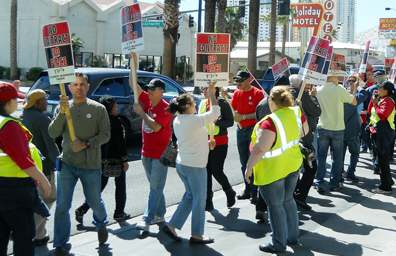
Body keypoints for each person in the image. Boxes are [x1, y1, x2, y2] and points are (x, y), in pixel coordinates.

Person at [49, 72, 110, 256]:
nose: (78, 87)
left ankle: (101, 224)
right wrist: (61, 112)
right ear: (69, 87)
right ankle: (60, 245)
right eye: (75, 84)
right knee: (62, 206)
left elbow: (106, 135)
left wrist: (86, 143)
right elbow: (53, 133)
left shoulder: (98, 108)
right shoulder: (63, 107)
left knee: (94, 202)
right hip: (67, 163)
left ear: (88, 87)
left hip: (90, 165)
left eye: (82, 84)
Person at [245, 86, 309, 253]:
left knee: (275, 206)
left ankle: (278, 243)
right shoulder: (295, 113)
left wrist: (249, 167)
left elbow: (260, 148)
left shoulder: (270, 121)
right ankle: (293, 237)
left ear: (271, 101)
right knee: (288, 200)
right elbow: (305, 132)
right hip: (292, 165)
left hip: (272, 170)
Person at [162, 81, 220, 244]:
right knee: (199, 200)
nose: (196, 105)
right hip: (195, 166)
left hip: (184, 163)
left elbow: (192, 137)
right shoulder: (192, 120)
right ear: (187, 106)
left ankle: (172, 226)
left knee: (190, 196)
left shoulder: (179, 119)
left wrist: (206, 142)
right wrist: (212, 94)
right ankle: (197, 234)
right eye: (194, 103)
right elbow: (215, 112)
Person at [0, 82, 51, 256]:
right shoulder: (9, 126)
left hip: (4, 190)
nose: (18, 104)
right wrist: (44, 180)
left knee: (1, 237)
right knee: (24, 238)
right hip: (16, 191)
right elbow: (24, 161)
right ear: (10, 103)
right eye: (15, 100)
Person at [129, 53, 173, 232]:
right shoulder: (147, 100)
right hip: (146, 152)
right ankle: (160, 213)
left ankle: (146, 219)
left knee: (155, 187)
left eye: (154, 89)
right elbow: (134, 85)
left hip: (161, 154)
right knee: (155, 187)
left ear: (162, 91)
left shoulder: (166, 107)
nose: (150, 91)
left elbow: (155, 127)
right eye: (149, 88)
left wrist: (141, 113)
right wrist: (134, 63)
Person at [75, 95, 130, 222]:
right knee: (120, 185)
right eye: (115, 105)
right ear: (111, 108)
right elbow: (119, 142)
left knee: (99, 187)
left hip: (100, 159)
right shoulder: (115, 121)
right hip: (115, 159)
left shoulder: (97, 120)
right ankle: (119, 212)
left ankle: (83, 209)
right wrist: (124, 159)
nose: (117, 107)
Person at [21, 89, 60, 247]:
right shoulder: (42, 119)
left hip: (27, 166)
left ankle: (40, 236)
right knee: (49, 198)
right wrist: (59, 163)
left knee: (38, 199)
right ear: (37, 103)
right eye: (45, 99)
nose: (47, 102)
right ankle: (27, 231)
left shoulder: (23, 117)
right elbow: (51, 146)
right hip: (43, 167)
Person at [315, 75, 357, 193]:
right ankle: (334, 183)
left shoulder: (318, 90)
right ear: (334, 77)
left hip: (322, 126)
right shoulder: (339, 89)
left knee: (321, 156)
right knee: (337, 157)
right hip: (337, 128)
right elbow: (354, 101)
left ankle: (320, 182)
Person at [231, 70, 264, 204]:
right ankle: (247, 189)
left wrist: (243, 116)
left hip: (253, 131)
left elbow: (260, 114)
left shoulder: (257, 93)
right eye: (236, 81)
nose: (238, 83)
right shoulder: (236, 93)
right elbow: (232, 109)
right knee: (244, 162)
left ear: (248, 80)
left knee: (253, 162)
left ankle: (254, 191)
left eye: (240, 80)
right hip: (240, 131)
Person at [199, 87, 235, 211]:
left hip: (219, 143)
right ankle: (208, 201)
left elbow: (230, 122)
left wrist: (216, 122)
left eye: (207, 88)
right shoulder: (203, 103)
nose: (204, 90)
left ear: (215, 90)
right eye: (203, 88)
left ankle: (229, 191)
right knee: (206, 172)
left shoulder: (222, 103)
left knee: (216, 171)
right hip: (205, 142)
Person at [288, 76, 321, 210]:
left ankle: (291, 195)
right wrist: (313, 97)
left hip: (288, 139)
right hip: (303, 138)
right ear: (301, 84)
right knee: (311, 167)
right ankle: (299, 196)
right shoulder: (304, 96)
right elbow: (317, 111)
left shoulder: (285, 94)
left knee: (294, 168)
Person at [368, 81, 396, 194]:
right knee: (381, 159)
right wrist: (373, 100)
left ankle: (385, 187)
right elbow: (370, 111)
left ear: (386, 90)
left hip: (385, 132)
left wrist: (375, 103)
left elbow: (383, 116)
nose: (378, 89)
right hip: (379, 132)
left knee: (382, 160)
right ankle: (388, 181)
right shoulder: (382, 99)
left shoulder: (388, 101)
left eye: (380, 87)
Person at [341, 76, 368, 182]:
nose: (351, 83)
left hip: (341, 130)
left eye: (352, 81)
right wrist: (359, 87)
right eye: (349, 81)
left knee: (340, 154)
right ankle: (350, 172)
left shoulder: (338, 101)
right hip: (352, 130)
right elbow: (363, 95)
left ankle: (339, 173)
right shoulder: (352, 100)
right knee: (354, 152)